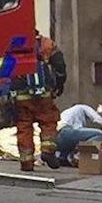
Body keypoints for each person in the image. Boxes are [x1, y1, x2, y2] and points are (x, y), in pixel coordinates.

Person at [11, 31, 67, 171]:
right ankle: (48, 151)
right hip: (43, 92)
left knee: (24, 126)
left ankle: (26, 162)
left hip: (20, 93)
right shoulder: (45, 43)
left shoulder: (10, 43)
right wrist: (60, 84)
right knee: (48, 121)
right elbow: (59, 65)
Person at [56, 97, 102, 166]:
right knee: (99, 134)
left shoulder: (66, 112)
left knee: (75, 140)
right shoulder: (82, 107)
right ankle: (79, 155)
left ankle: (63, 158)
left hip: (56, 139)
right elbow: (100, 121)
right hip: (66, 132)